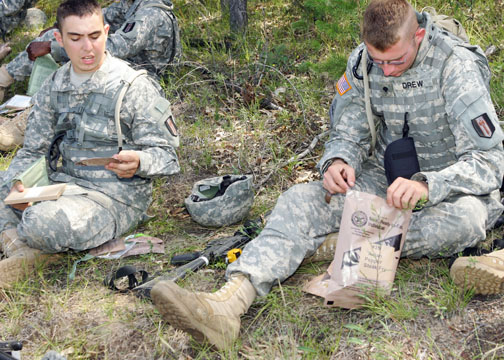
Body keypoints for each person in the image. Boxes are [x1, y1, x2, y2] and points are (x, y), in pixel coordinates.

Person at [150, 0, 504, 350]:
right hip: (382, 178)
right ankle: (229, 303)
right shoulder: (363, 62)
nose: (388, 70)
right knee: (299, 201)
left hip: (448, 188)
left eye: (396, 60)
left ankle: (328, 246)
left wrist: (428, 184)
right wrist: (338, 161)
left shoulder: (454, 67)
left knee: (467, 220)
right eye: (380, 61)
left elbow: (490, 161)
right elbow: (348, 132)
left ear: (419, 36)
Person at [0, 0, 180, 288]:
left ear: (106, 32)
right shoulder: (54, 85)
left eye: (95, 36)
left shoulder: (132, 86)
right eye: (75, 38)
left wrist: (140, 162)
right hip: (59, 186)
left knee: (38, 221)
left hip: (112, 198)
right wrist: (18, 183)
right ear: (58, 39)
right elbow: (32, 150)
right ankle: (25, 253)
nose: (88, 47)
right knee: (7, 189)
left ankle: (22, 244)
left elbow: (168, 157)